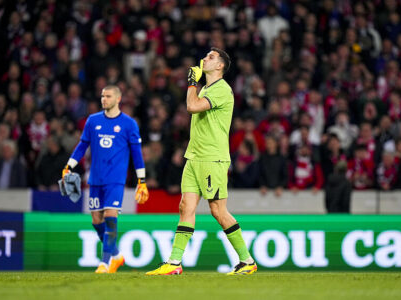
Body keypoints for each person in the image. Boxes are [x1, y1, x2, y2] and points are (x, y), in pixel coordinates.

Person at [147, 48, 257, 276]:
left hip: (212, 158)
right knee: (185, 207)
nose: (205, 59)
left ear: (220, 66)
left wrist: (190, 83)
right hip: (194, 156)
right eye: (206, 55)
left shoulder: (222, 90)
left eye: (211, 57)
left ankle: (247, 260)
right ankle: (174, 262)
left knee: (218, 210)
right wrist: (195, 85)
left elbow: (192, 106)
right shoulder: (206, 88)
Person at [61, 85, 148, 274]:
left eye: (108, 96)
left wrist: (142, 181)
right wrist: (69, 166)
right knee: (96, 220)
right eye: (102, 96)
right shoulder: (93, 121)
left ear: (118, 99)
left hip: (115, 180)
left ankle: (105, 263)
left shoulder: (129, 124)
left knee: (110, 217)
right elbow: (82, 146)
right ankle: (116, 255)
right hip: (95, 178)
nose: (104, 99)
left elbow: (137, 154)